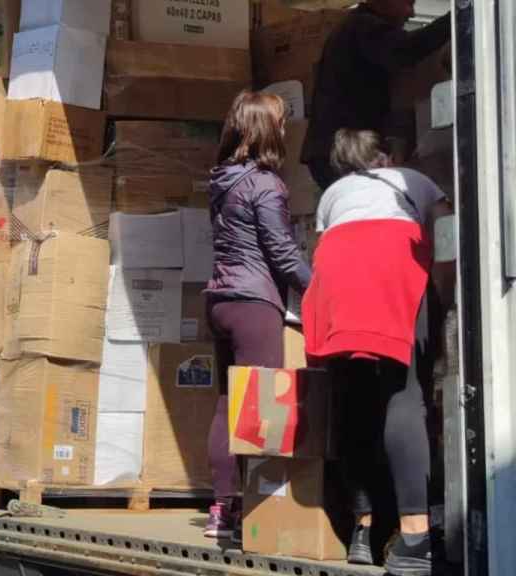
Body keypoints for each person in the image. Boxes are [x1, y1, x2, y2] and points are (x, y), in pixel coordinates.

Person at [302, 129, 454, 576]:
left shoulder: (332, 194)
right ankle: (414, 537)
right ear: (384, 156)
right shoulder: (412, 180)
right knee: (404, 398)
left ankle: (363, 531)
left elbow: (319, 255)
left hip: (338, 278)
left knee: (353, 401)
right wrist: (444, 299)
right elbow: (446, 239)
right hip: (392, 271)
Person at [204, 91, 312, 539]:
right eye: (282, 122)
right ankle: (256, 509)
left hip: (219, 299)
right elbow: (282, 253)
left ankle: (221, 508)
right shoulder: (264, 184)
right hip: (253, 302)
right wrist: (321, 290)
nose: (286, 129)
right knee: (261, 406)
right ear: (268, 129)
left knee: (229, 404)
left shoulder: (223, 177)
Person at [302, 0, 450, 190]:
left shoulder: (356, 28)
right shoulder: (365, 26)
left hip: (337, 149)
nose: (411, 13)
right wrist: (453, 19)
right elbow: (406, 50)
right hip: (345, 150)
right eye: (407, 3)